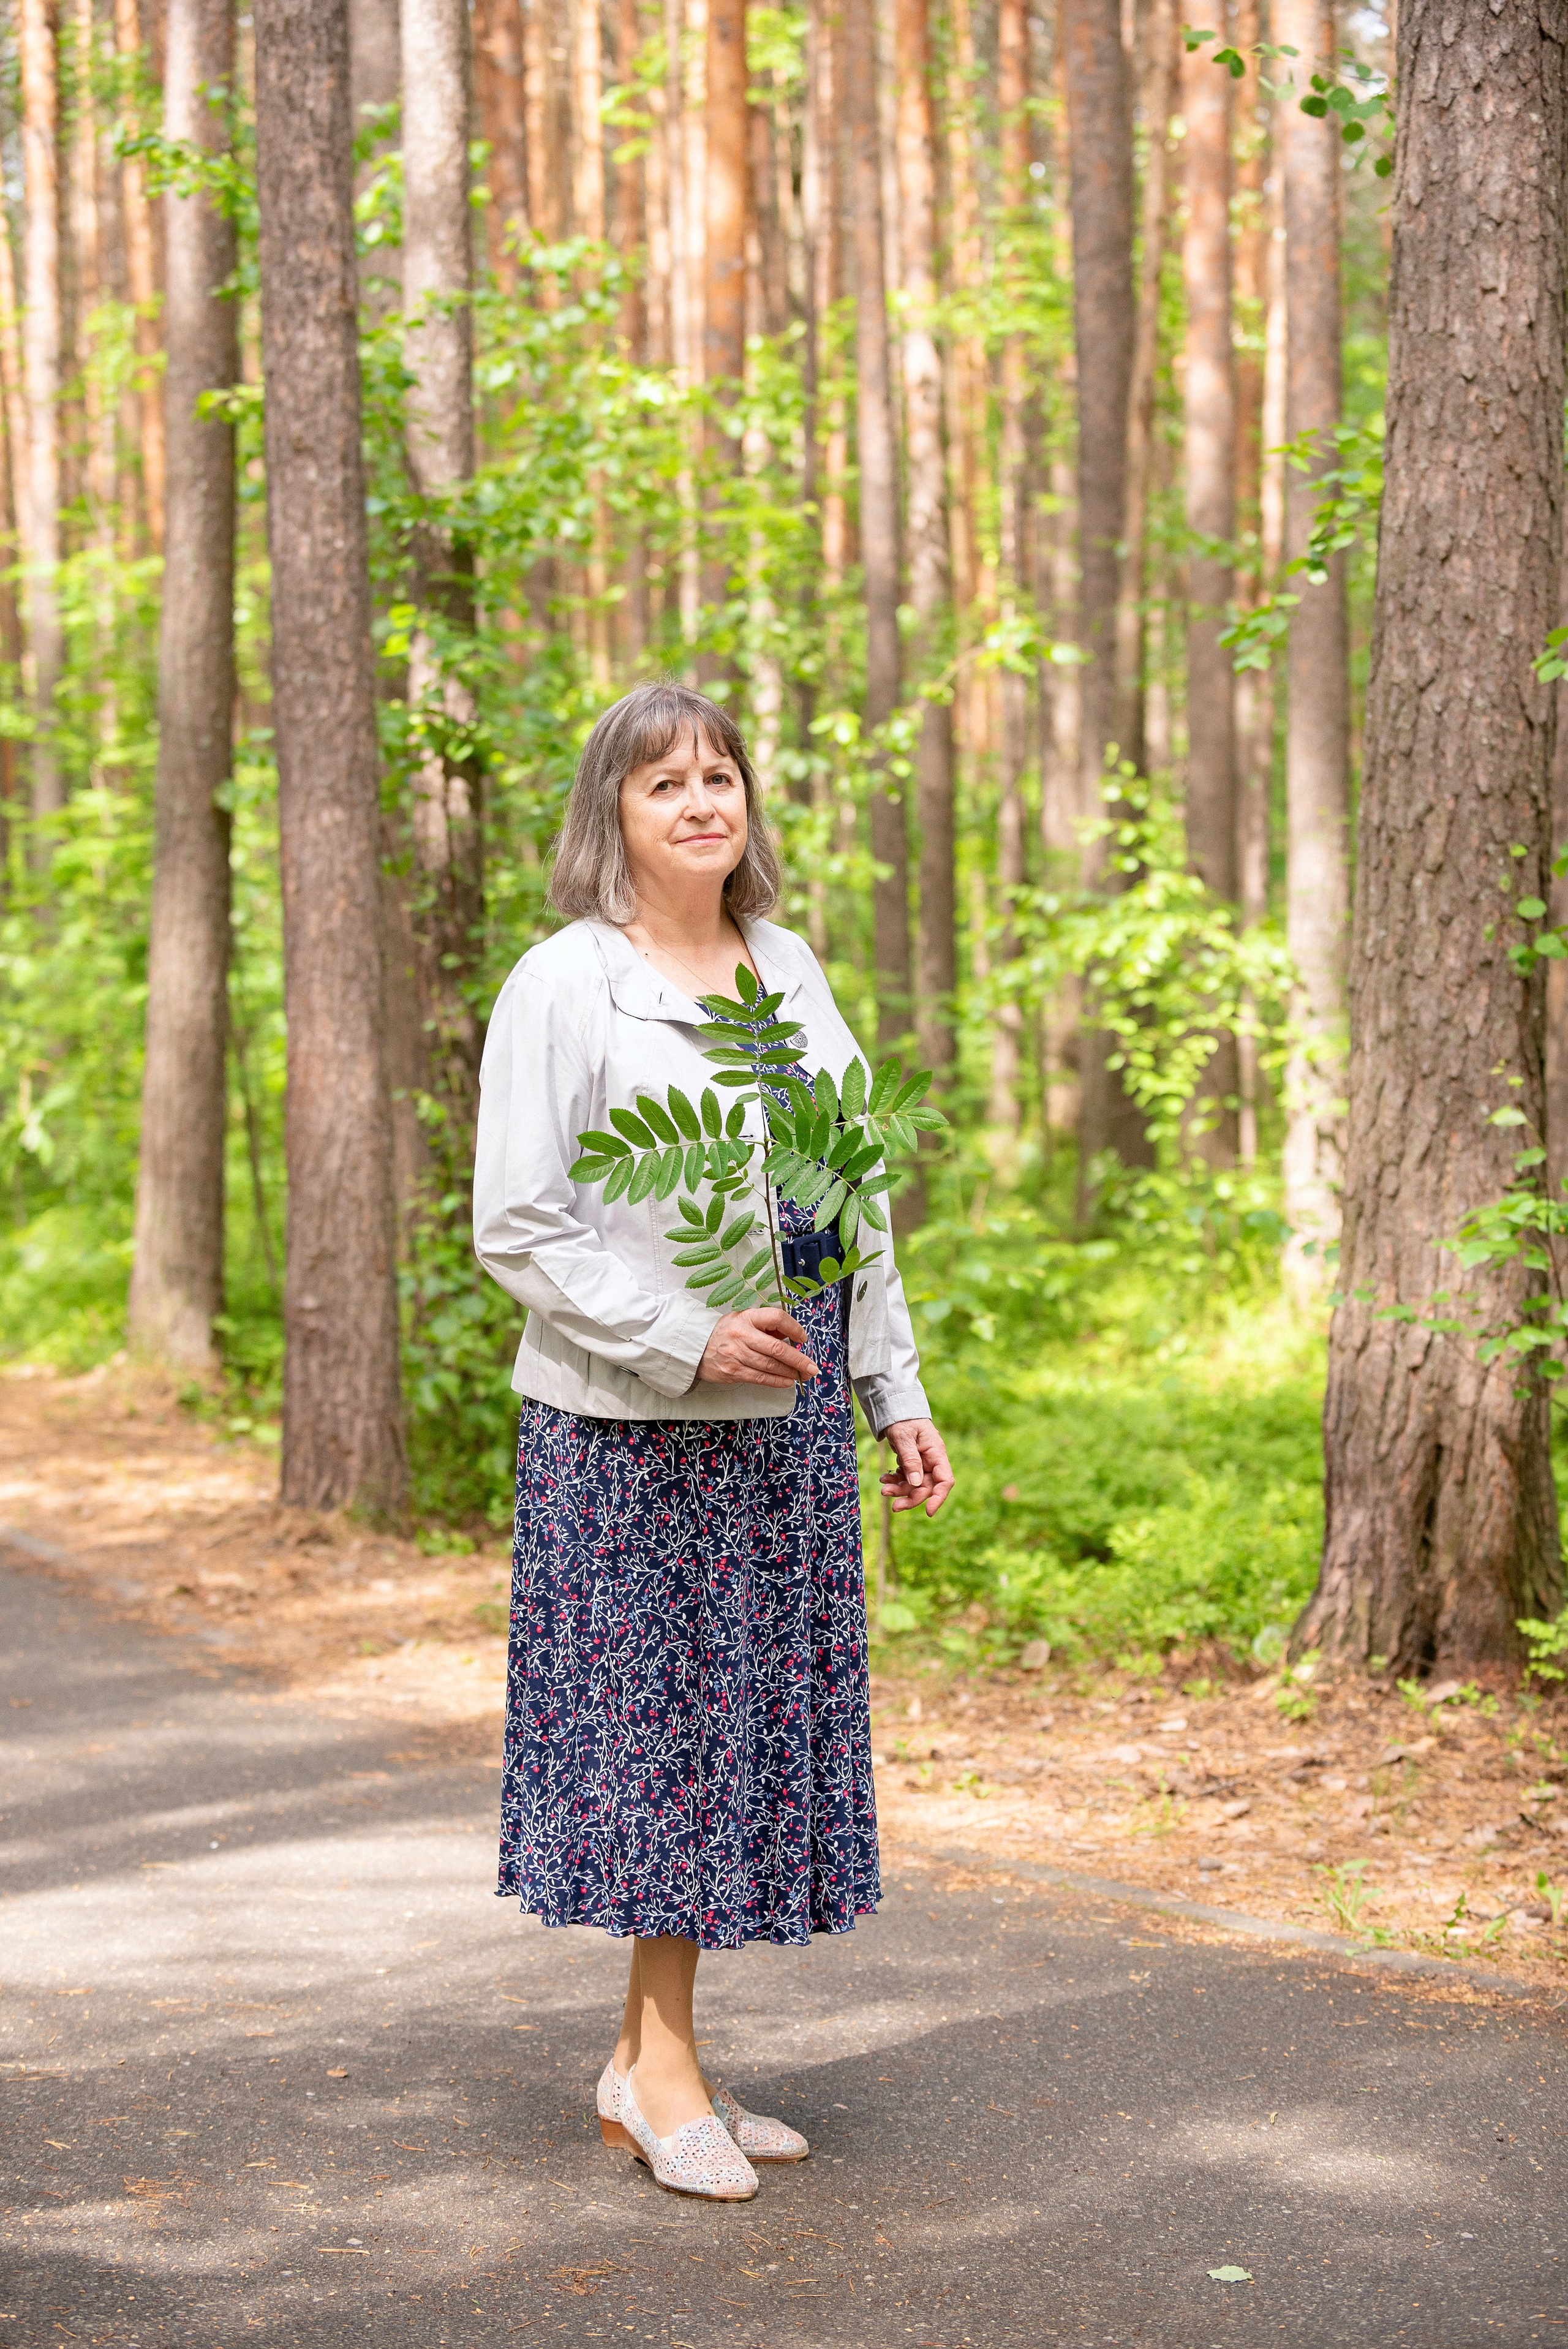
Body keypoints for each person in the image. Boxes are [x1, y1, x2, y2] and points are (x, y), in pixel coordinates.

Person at [474, 681, 954, 2202]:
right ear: (610, 814)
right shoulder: (563, 981)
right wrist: (680, 1334)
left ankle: (644, 2064)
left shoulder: (788, 967)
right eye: (662, 781)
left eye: (721, 775)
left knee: (728, 1749)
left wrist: (894, 1387)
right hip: (631, 1432)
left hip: (788, 1426)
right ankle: (661, 2070)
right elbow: (521, 1221)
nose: (700, 801)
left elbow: (843, 1194)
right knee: (662, 1755)